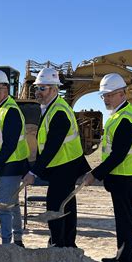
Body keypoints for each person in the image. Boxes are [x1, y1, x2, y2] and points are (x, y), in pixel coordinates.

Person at [83, 73, 132, 262]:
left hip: (127, 178)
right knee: (123, 219)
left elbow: (118, 155)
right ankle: (123, 256)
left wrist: (95, 174)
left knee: (125, 221)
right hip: (123, 177)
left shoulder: (126, 119)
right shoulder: (120, 114)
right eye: (104, 96)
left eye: (110, 95)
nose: (106, 99)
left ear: (123, 94)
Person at [23, 68, 90, 248]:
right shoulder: (51, 108)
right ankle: (67, 244)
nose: (38, 92)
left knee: (55, 207)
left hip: (64, 166)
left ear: (54, 89)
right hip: (63, 166)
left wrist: (34, 172)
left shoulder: (59, 111)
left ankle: (58, 245)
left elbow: (52, 147)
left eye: (42, 88)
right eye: (36, 88)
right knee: (66, 206)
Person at [0, 69, 30, 247]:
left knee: (3, 205)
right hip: (4, 166)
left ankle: (6, 245)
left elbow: (9, 146)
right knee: (13, 204)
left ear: (6, 88)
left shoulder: (11, 111)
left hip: (11, 166)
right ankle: (17, 241)